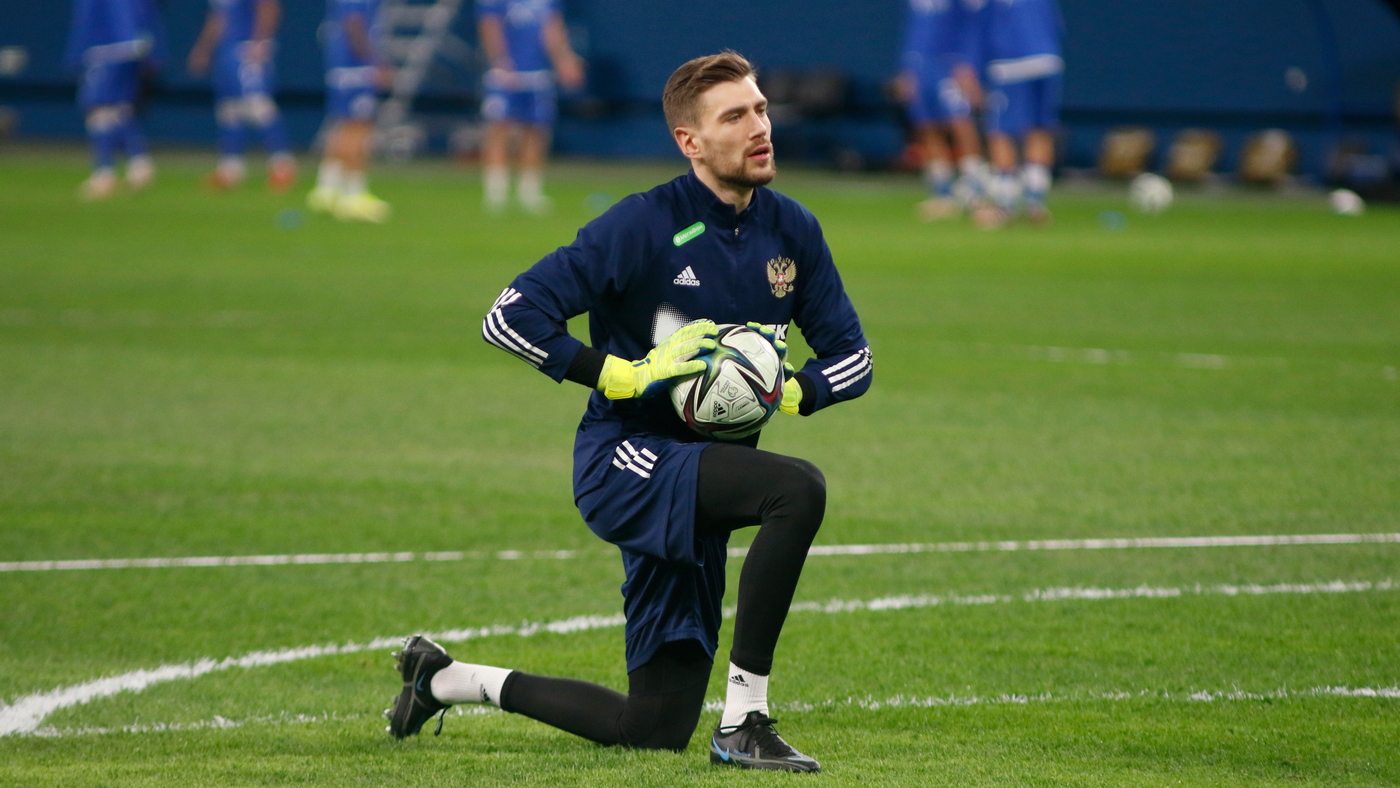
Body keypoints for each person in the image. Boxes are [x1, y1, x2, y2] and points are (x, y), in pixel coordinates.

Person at [383, 52, 873, 773]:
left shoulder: (792, 231)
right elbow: (509, 317)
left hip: (702, 480)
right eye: (735, 116)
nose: (759, 127)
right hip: (626, 459)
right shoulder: (642, 224)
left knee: (653, 727)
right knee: (795, 490)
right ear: (690, 142)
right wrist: (624, 374)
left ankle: (446, 679)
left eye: (761, 109)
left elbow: (853, 357)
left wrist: (795, 390)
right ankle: (745, 720)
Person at [476, 0, 584, 214]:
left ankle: (529, 191)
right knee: (499, 127)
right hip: (505, 74)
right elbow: (489, 25)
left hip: (537, 74)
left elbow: (552, 28)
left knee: (536, 130)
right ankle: (496, 191)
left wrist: (564, 60)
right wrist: (499, 60)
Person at [187, 0, 296, 192]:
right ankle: (231, 169)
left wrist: (260, 41)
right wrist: (204, 49)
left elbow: (268, 6)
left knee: (258, 105)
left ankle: (283, 165)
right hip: (226, 50)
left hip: (246, 47)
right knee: (229, 109)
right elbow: (218, 17)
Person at [974, 0, 1064, 227]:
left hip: (1012, 63)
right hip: (1047, 59)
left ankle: (1005, 206)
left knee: (1000, 132)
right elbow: (1056, 24)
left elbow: (982, 26)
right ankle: (1035, 204)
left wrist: (975, 66)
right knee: (1040, 129)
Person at [897, 0, 988, 221]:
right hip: (921, 65)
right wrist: (908, 68)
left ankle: (975, 188)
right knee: (926, 126)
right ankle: (943, 193)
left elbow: (973, 25)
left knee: (960, 121)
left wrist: (967, 63)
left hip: (949, 63)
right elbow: (915, 29)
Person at [65, 0, 164, 200]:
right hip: (131, 46)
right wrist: (153, 51)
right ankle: (139, 164)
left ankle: (104, 173)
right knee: (118, 108)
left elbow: (86, 18)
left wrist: (74, 55)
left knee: (98, 110)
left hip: (106, 48)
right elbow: (145, 13)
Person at [307, 0, 391, 222]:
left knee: (343, 128)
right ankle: (354, 194)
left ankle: (326, 189)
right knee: (358, 128)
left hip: (342, 68)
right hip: (356, 70)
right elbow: (353, 23)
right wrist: (374, 61)